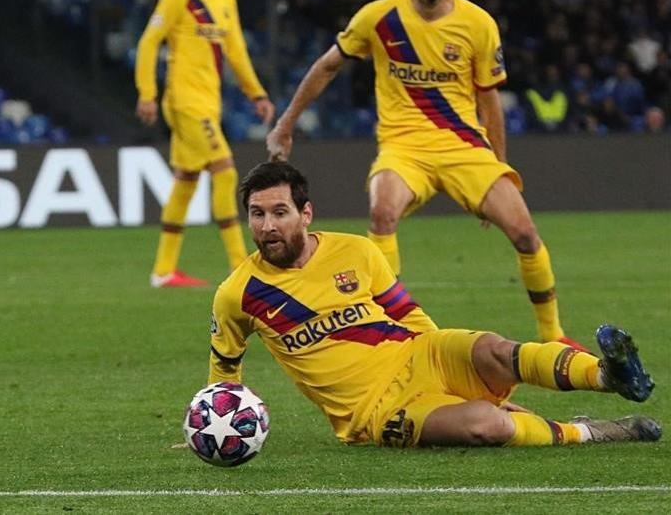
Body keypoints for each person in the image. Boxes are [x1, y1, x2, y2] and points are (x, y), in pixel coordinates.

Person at [265, 0, 577, 347]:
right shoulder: (379, 17)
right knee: (382, 211)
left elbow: (489, 104)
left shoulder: (478, 24)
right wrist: (286, 124)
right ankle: (393, 331)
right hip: (403, 148)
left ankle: (553, 334)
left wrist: (498, 166)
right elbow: (327, 66)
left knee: (524, 234)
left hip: (464, 148)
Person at [207, 161, 660, 448]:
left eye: (279, 212)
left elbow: (405, 312)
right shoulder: (238, 293)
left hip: (420, 351)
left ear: (306, 214)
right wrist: (214, 424)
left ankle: (607, 374)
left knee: (495, 350)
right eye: (257, 214)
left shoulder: (356, 251)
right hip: (376, 411)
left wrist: (446, 356)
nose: (267, 225)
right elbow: (224, 368)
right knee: (489, 425)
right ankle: (592, 431)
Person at [135, 0, 275, 288]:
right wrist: (146, 92)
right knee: (225, 171)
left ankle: (163, 270)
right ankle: (240, 264)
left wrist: (256, 94)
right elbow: (149, 43)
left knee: (185, 181)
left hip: (208, 104)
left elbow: (237, 52)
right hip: (184, 102)